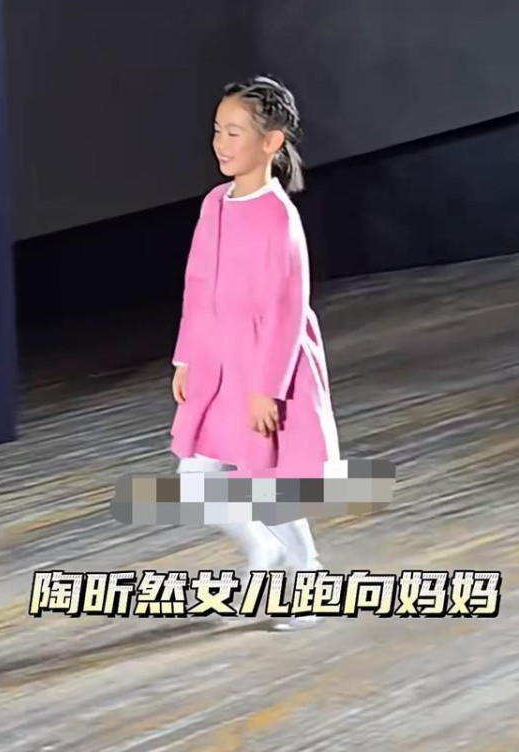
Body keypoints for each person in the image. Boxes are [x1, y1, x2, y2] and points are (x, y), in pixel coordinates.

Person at [170, 74, 341, 630]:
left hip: (265, 366)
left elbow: (288, 308)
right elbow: (198, 284)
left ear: (271, 142)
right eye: (217, 130)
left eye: (235, 132)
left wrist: (266, 387)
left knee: (268, 484)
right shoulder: (214, 205)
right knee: (196, 477)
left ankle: (307, 573)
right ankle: (264, 550)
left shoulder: (277, 217)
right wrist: (187, 356)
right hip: (218, 362)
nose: (221, 143)